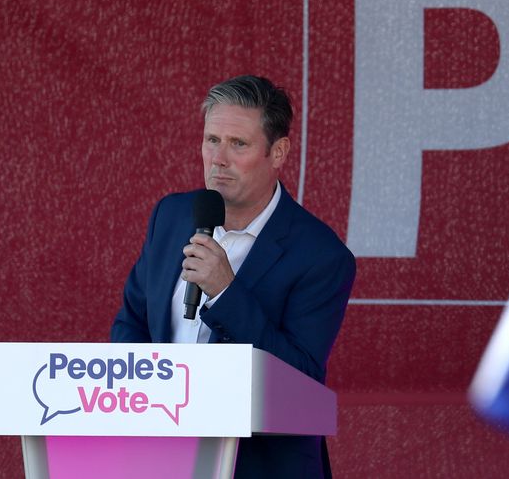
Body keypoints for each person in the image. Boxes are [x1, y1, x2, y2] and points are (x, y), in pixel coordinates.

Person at [111, 75, 356, 478]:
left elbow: (301, 379)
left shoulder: (322, 256)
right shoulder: (171, 216)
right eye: (212, 140)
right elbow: (132, 322)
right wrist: (141, 406)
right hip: (161, 457)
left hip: (259, 465)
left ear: (277, 153)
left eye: (237, 144)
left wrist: (226, 291)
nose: (218, 158)